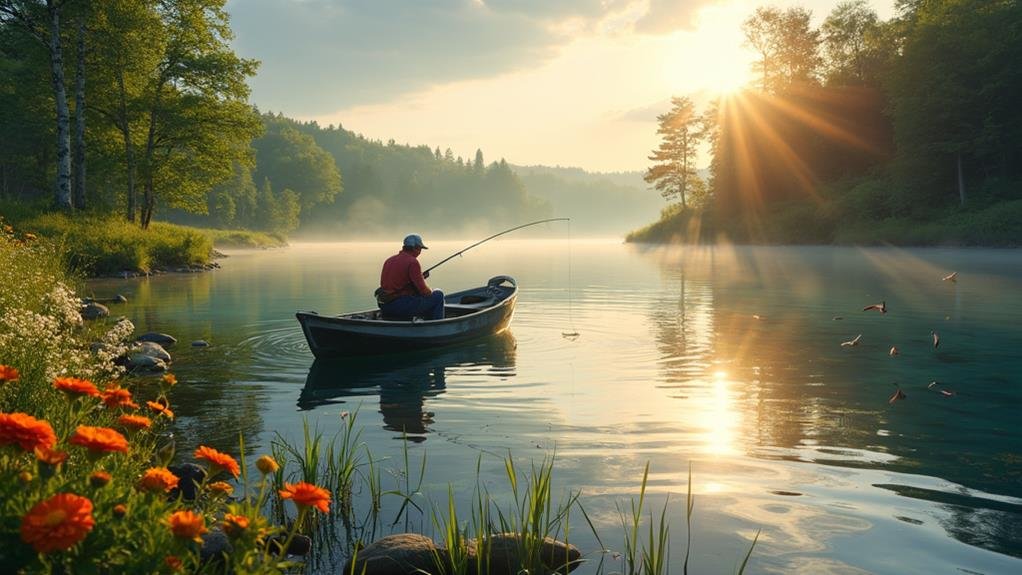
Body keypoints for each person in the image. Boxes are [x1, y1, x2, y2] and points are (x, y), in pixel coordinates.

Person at [376, 234, 445, 320]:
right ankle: (436, 325)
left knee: (417, 297)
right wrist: (431, 290)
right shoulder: (413, 262)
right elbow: (425, 292)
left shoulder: (389, 260)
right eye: (420, 249)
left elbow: (396, 284)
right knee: (438, 294)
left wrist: (420, 277)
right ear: (415, 248)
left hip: (385, 306)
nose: (420, 252)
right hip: (400, 306)